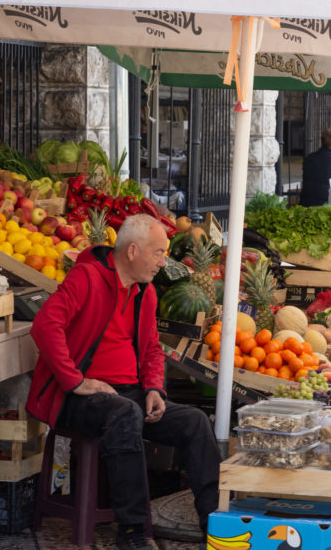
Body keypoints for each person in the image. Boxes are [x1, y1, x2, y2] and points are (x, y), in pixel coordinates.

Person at [26, 214, 220, 550]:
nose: (164, 262)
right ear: (133, 251)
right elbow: (45, 326)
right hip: (76, 398)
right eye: (159, 253)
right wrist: (75, 381)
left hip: (128, 394)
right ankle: (132, 533)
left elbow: (150, 351)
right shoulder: (86, 277)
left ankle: (216, 526)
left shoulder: (145, 294)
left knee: (195, 422)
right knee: (124, 414)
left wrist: (155, 389)